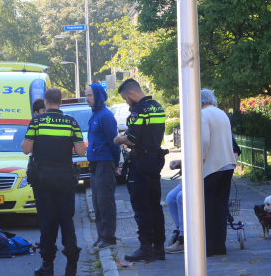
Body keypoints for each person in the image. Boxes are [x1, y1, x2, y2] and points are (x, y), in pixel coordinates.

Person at [22, 88, 86, 276]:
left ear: (46, 102)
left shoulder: (37, 122)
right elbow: (81, 151)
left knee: (47, 221)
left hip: (43, 179)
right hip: (65, 178)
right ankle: (71, 265)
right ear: (61, 102)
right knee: (66, 220)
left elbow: (26, 149)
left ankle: (47, 266)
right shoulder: (71, 122)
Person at [113, 78, 167, 262]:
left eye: (125, 98)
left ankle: (145, 247)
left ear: (131, 93)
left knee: (141, 205)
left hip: (141, 161)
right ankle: (159, 247)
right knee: (155, 205)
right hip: (155, 159)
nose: (127, 103)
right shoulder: (157, 107)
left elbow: (132, 139)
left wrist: (119, 139)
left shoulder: (138, 110)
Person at [165, 132, 240, 254]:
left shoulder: (217, 132)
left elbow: (233, 154)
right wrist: (182, 162)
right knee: (171, 197)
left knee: (182, 197)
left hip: (206, 175)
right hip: (191, 175)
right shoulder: (195, 128)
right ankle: (181, 230)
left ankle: (183, 239)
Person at [199, 89, 238, 257]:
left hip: (212, 166)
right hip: (227, 164)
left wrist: (200, 159)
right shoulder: (222, 114)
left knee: (207, 207)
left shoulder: (203, 115)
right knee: (221, 207)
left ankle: (208, 247)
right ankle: (220, 246)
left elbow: (204, 141)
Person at [86, 83, 122, 253]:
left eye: (90, 95)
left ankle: (109, 238)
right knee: (97, 201)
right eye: (86, 95)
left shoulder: (105, 116)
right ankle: (102, 236)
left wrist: (115, 163)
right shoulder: (95, 114)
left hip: (105, 162)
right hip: (95, 163)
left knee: (105, 200)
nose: (87, 99)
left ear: (99, 97)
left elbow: (114, 142)